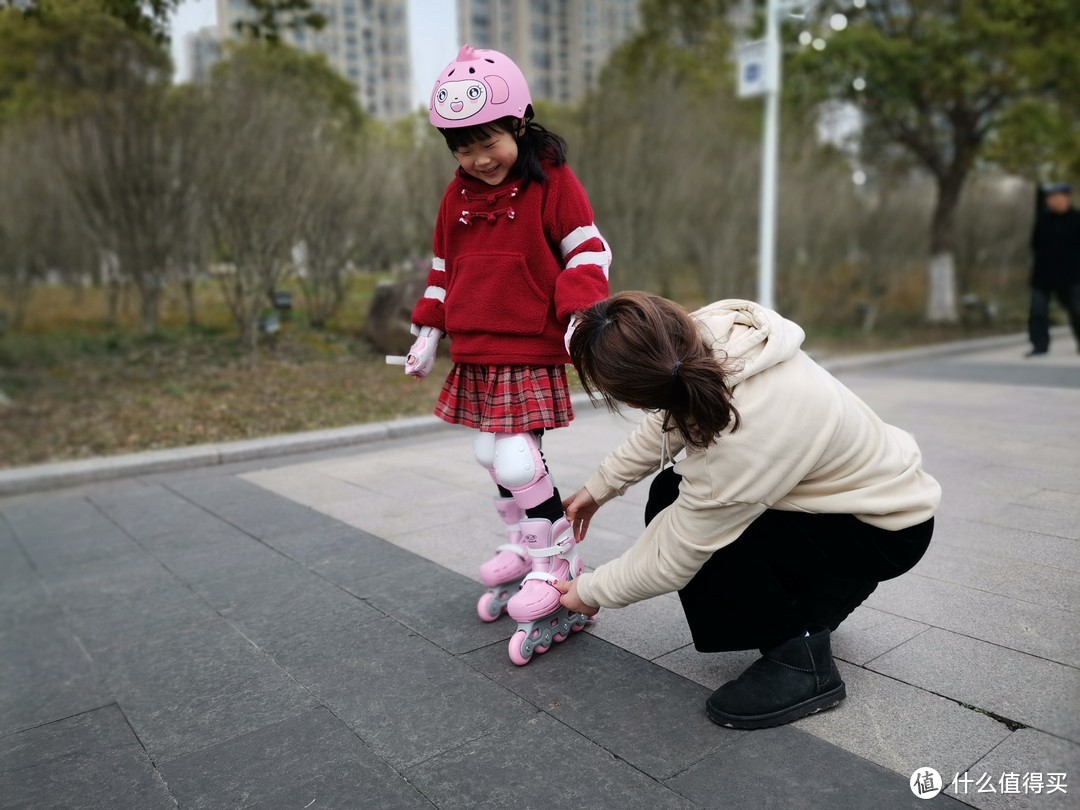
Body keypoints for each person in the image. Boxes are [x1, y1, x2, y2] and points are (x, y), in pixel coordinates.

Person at [555, 292, 941, 729]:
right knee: (681, 492)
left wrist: (586, 592)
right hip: (870, 503)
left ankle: (801, 665)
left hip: (881, 534)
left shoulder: (750, 431)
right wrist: (600, 486)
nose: (628, 407)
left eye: (622, 396)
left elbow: (673, 557)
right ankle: (822, 598)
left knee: (687, 513)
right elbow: (670, 420)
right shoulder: (704, 336)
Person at [404, 45, 610, 665]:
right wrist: (427, 334)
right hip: (477, 346)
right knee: (490, 452)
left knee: (520, 459)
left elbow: (588, 250)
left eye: (487, 141)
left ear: (518, 124)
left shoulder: (551, 180)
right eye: (462, 147)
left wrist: (578, 313)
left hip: (530, 342)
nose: (476, 158)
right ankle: (525, 544)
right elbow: (444, 270)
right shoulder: (456, 197)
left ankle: (557, 564)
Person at [1027, 182, 1080, 356]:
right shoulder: (1043, 220)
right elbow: (1034, 244)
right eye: (1051, 197)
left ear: (1066, 198)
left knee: (1076, 310)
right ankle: (1039, 346)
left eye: (1057, 196)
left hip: (1072, 275)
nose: (1054, 200)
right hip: (1043, 275)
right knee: (1038, 311)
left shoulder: (1076, 219)